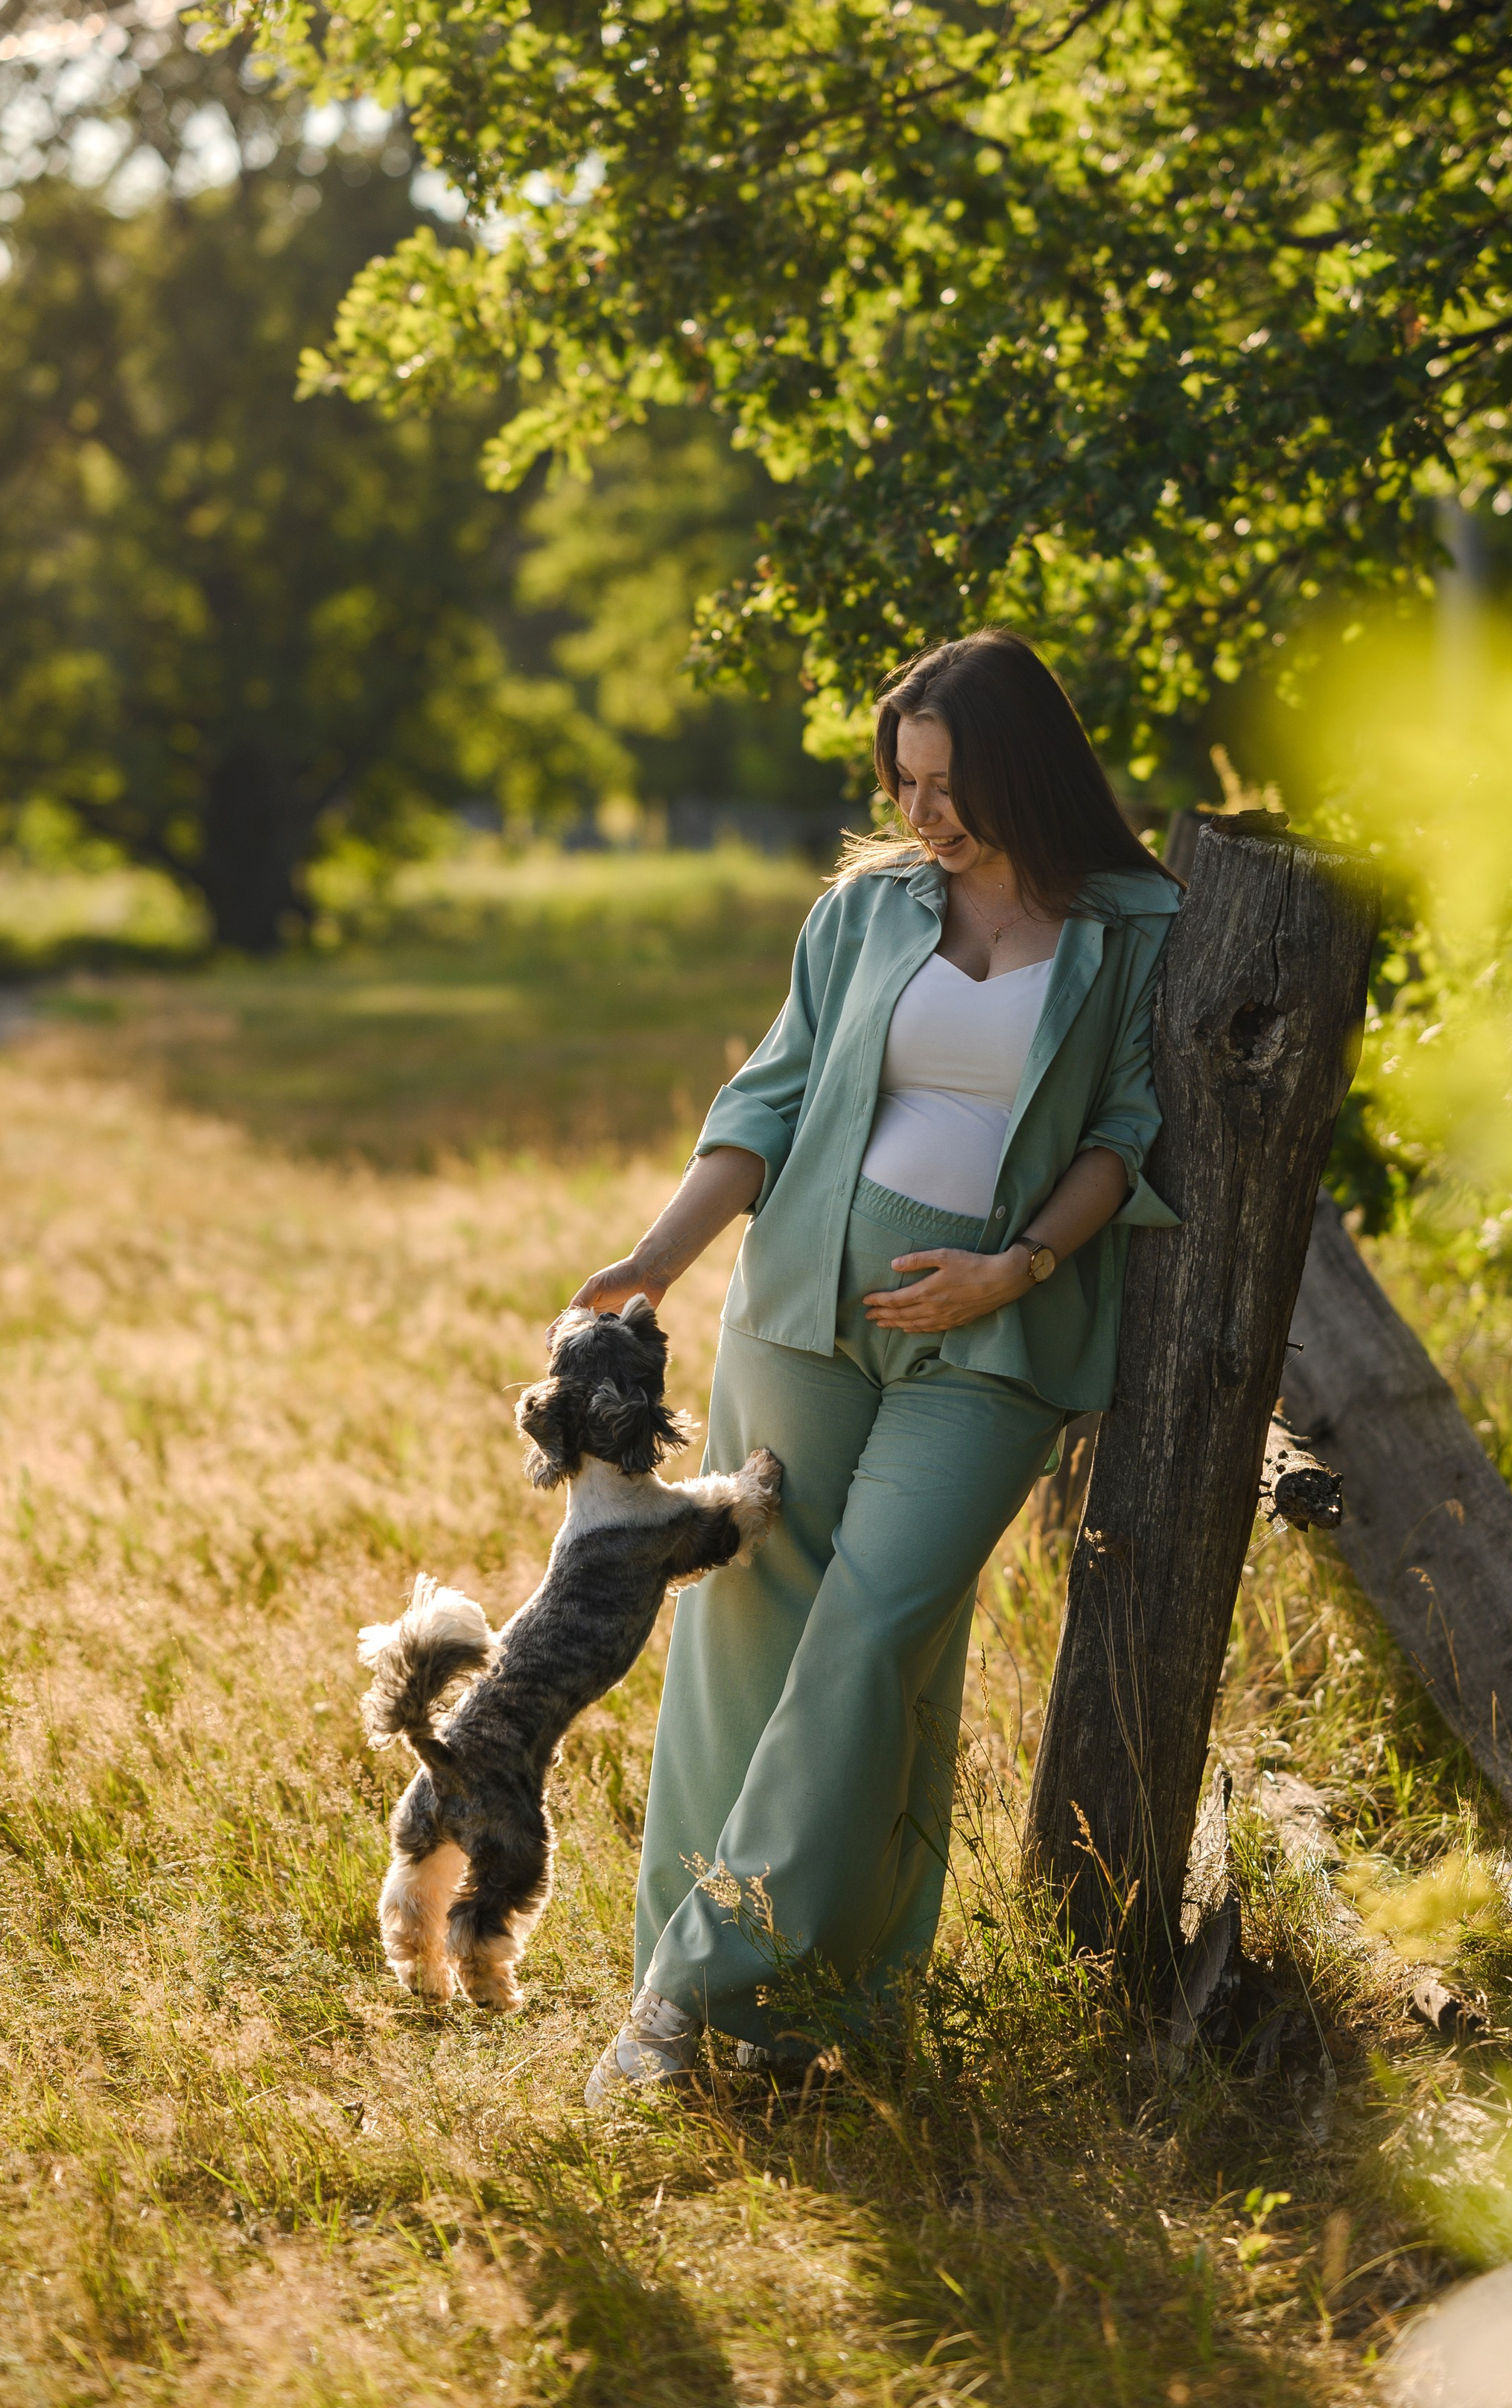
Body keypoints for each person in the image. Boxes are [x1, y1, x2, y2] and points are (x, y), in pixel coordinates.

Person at [571, 629, 1181, 2100]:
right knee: (747, 1646)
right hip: (800, 1316)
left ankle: (684, 1994)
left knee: (874, 1634)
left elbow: (1124, 1132)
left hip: (998, 1338)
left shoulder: (1136, 923)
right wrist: (657, 1258)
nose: (924, 813)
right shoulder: (863, 911)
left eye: (950, 784)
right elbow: (765, 1101)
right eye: (903, 783)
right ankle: (813, 2013)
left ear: (1024, 770)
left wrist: (1015, 1266)